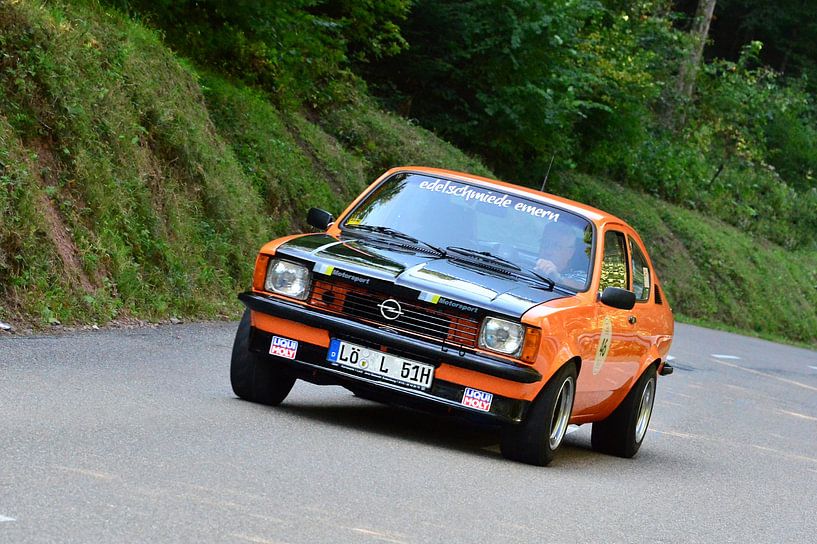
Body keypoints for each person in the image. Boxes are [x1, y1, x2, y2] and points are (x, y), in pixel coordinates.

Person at [534, 224, 590, 290]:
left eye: (557, 247)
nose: (548, 251)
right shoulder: (529, 263)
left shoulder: (580, 276)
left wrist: (556, 277)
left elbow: (580, 288)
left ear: (570, 253)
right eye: (545, 243)